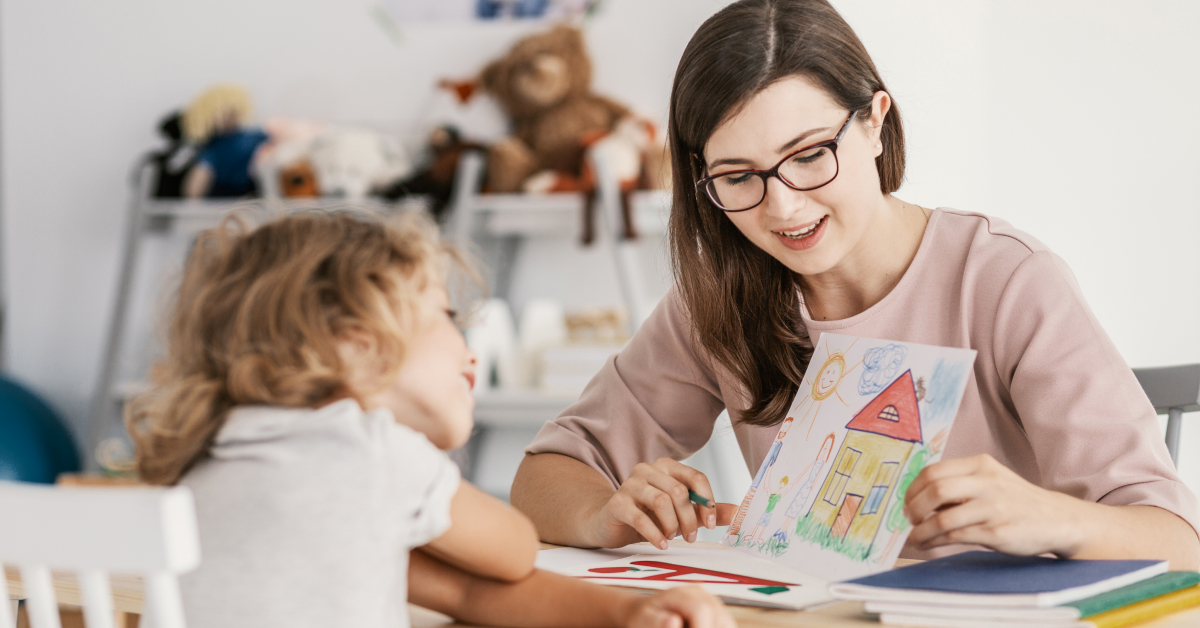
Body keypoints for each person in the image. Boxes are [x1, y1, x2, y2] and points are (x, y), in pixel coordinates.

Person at [511, 0, 1200, 569]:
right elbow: (545, 477)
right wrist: (604, 512)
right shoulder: (720, 297)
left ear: (874, 122)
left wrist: (1049, 517)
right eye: (738, 176)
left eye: (810, 156)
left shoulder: (1005, 279)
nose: (783, 207)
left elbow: (1177, 542)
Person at [126, 210, 734, 628]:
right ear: (355, 343)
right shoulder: (374, 454)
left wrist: (627, 614)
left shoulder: (209, 461)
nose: (467, 343)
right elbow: (514, 553)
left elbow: (464, 591)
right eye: (445, 314)